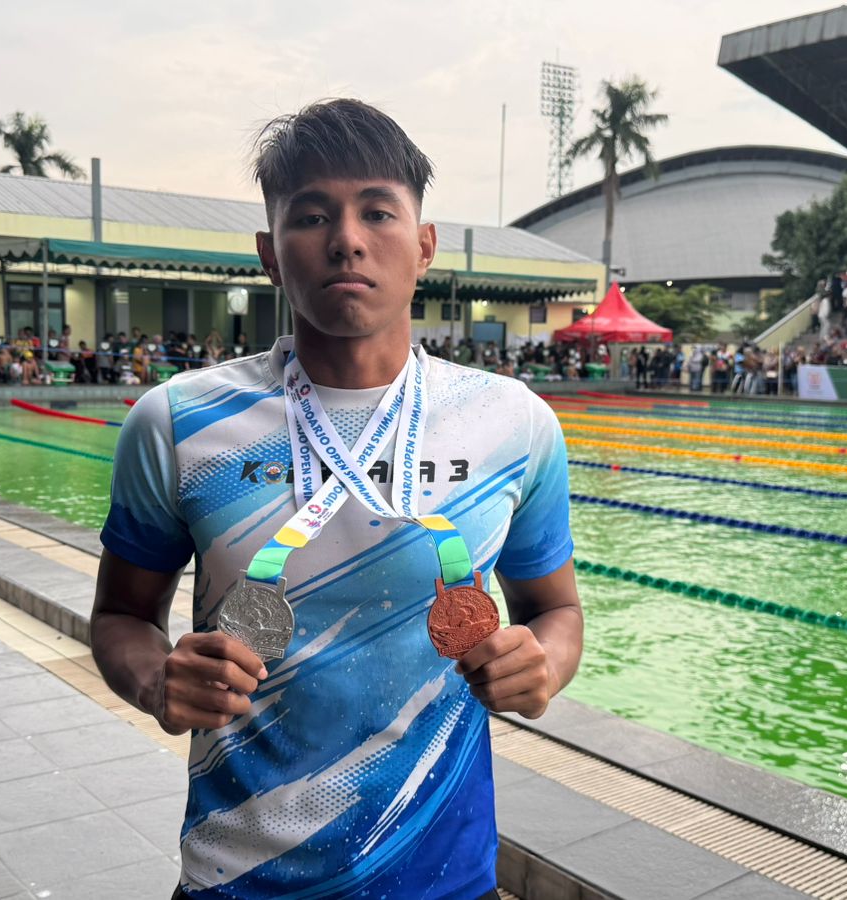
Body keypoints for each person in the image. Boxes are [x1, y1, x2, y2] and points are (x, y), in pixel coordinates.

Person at [91, 100, 581, 900]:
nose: (347, 239)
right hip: (238, 883)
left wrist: (544, 665)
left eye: (377, 212)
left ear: (424, 246)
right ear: (270, 254)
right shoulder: (177, 422)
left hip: (446, 880)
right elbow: (120, 615)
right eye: (312, 215)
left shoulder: (513, 423)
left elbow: (555, 609)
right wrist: (155, 682)